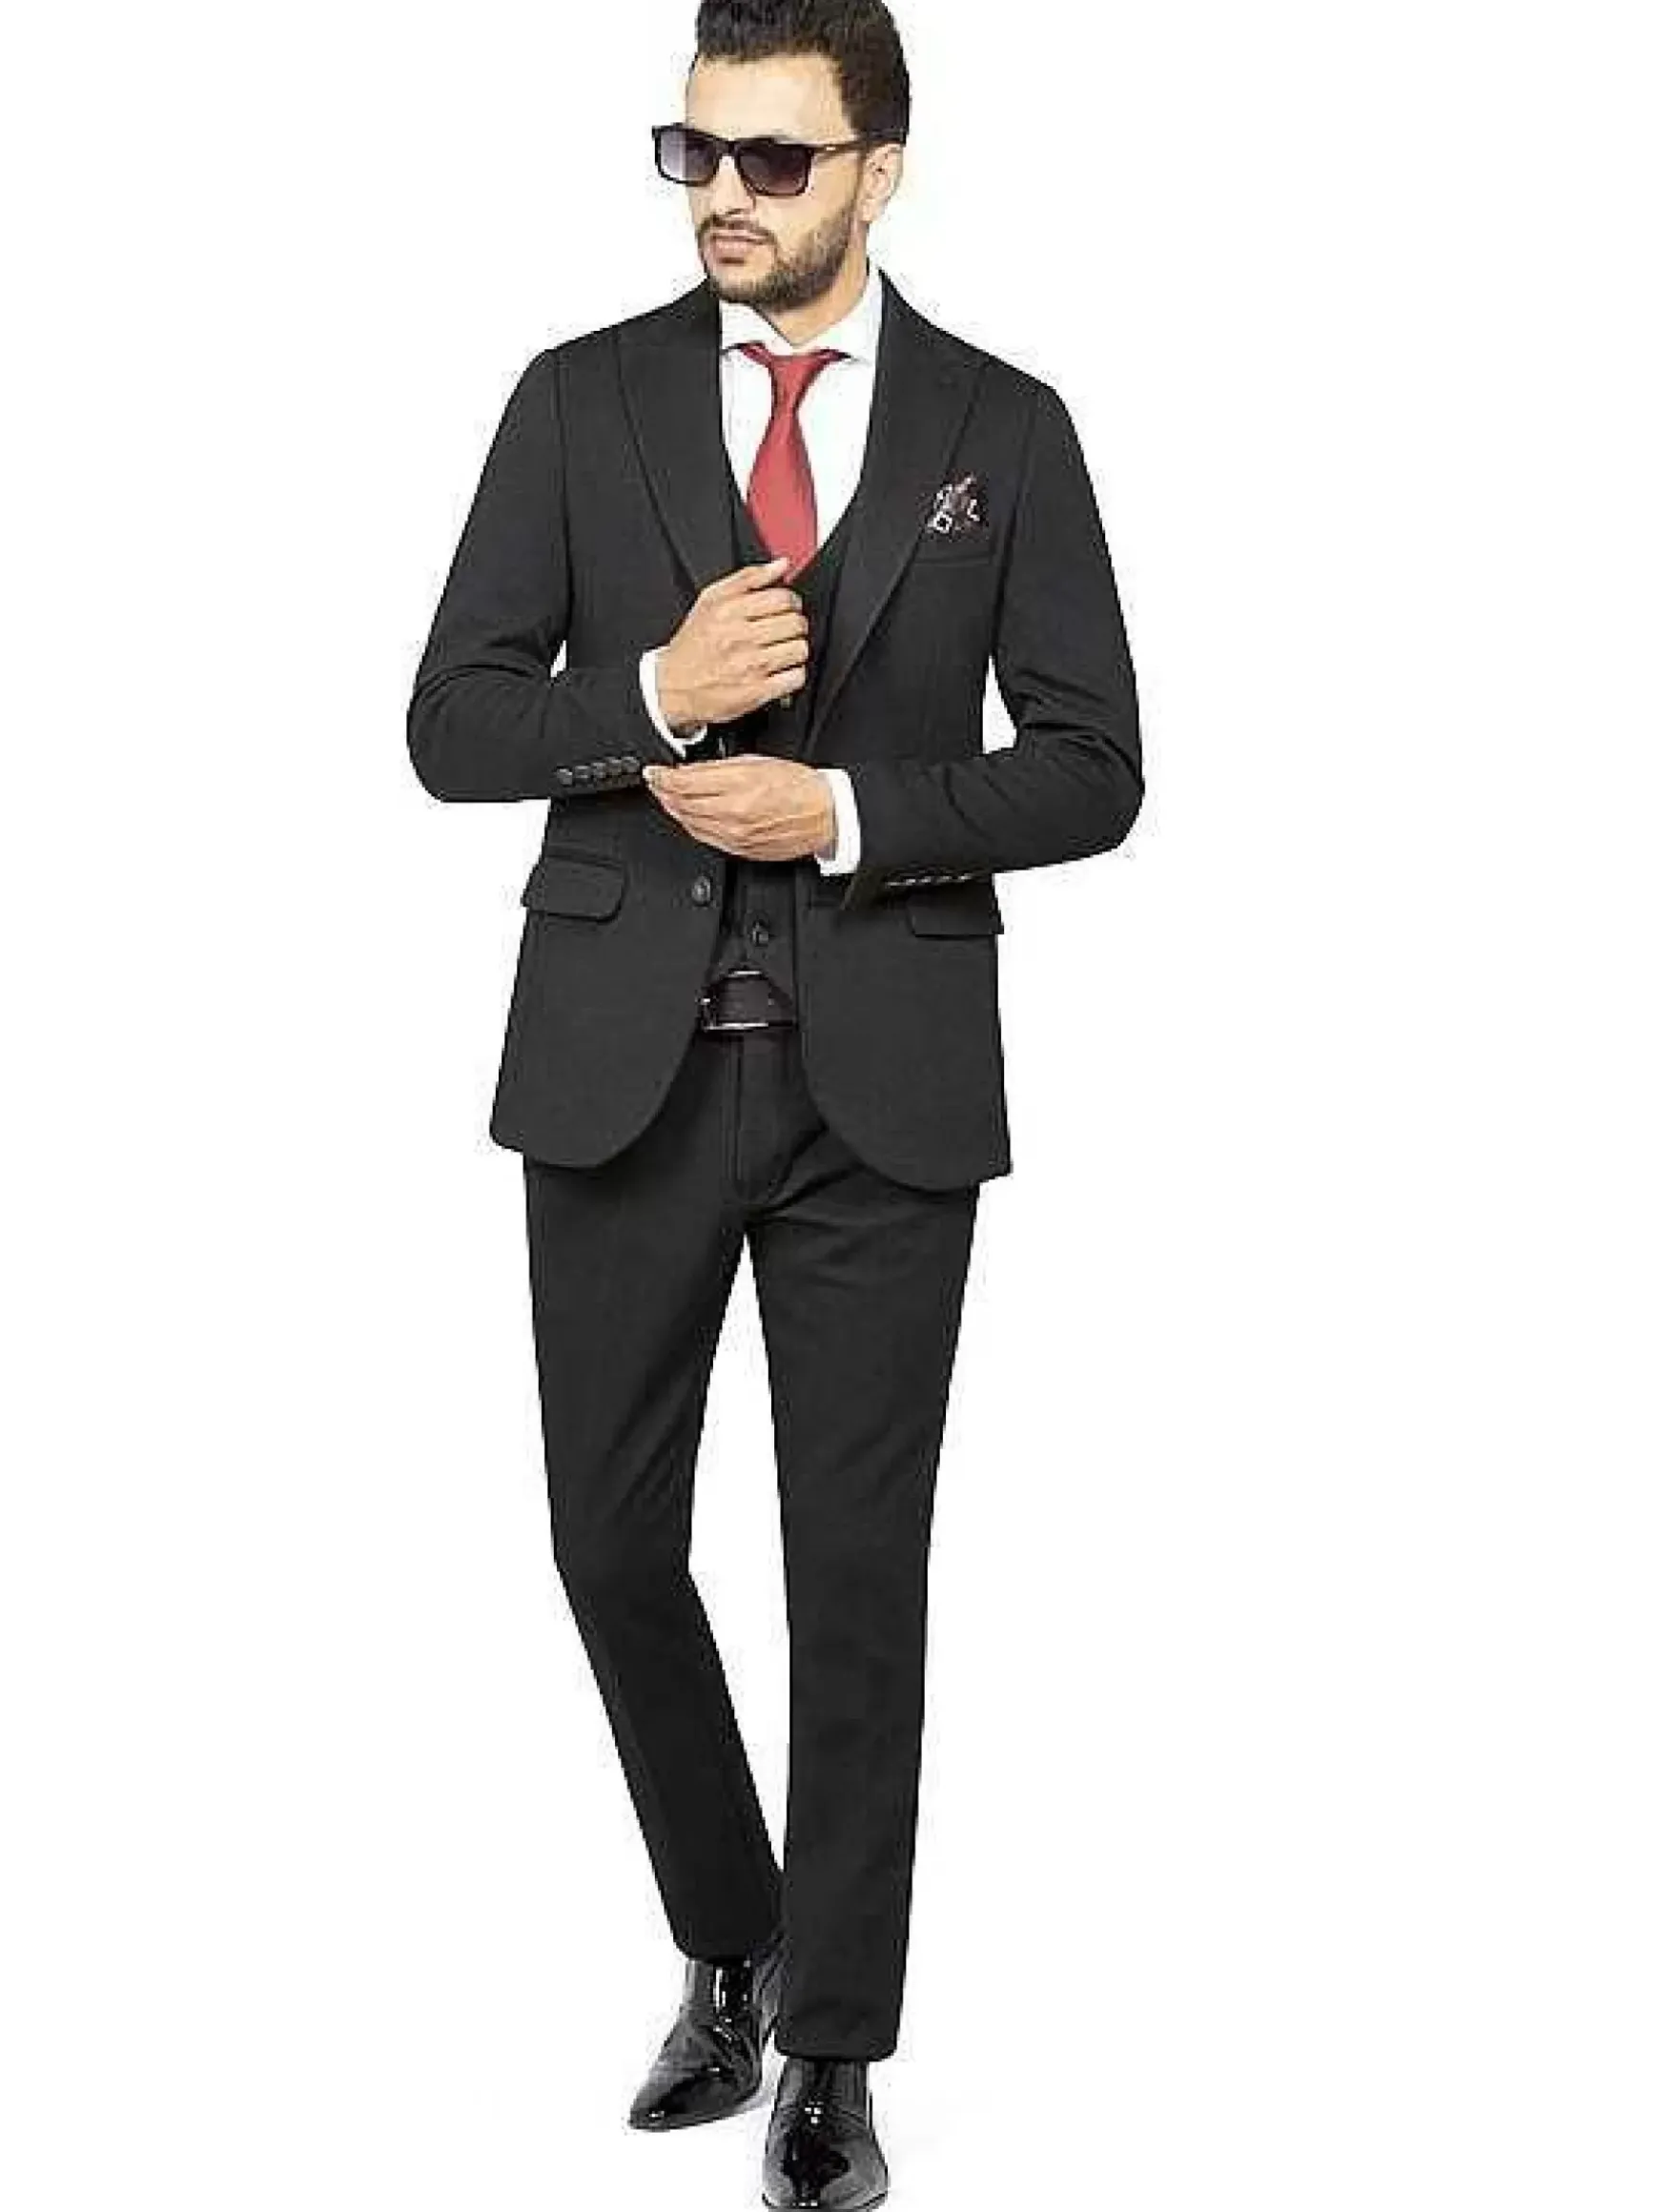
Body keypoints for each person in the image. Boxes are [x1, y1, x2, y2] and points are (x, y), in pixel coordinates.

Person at [405, 2, 1141, 2202]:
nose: (723, 192)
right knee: (609, 1540)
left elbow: (1094, 764)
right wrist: (646, 694)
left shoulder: (1003, 428)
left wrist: (847, 811)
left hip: (881, 1084)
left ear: (879, 170)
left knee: (856, 1576)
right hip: (617, 1061)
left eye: (774, 158)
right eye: (694, 150)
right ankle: (732, 1934)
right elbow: (450, 720)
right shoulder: (577, 399)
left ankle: (830, 2053)